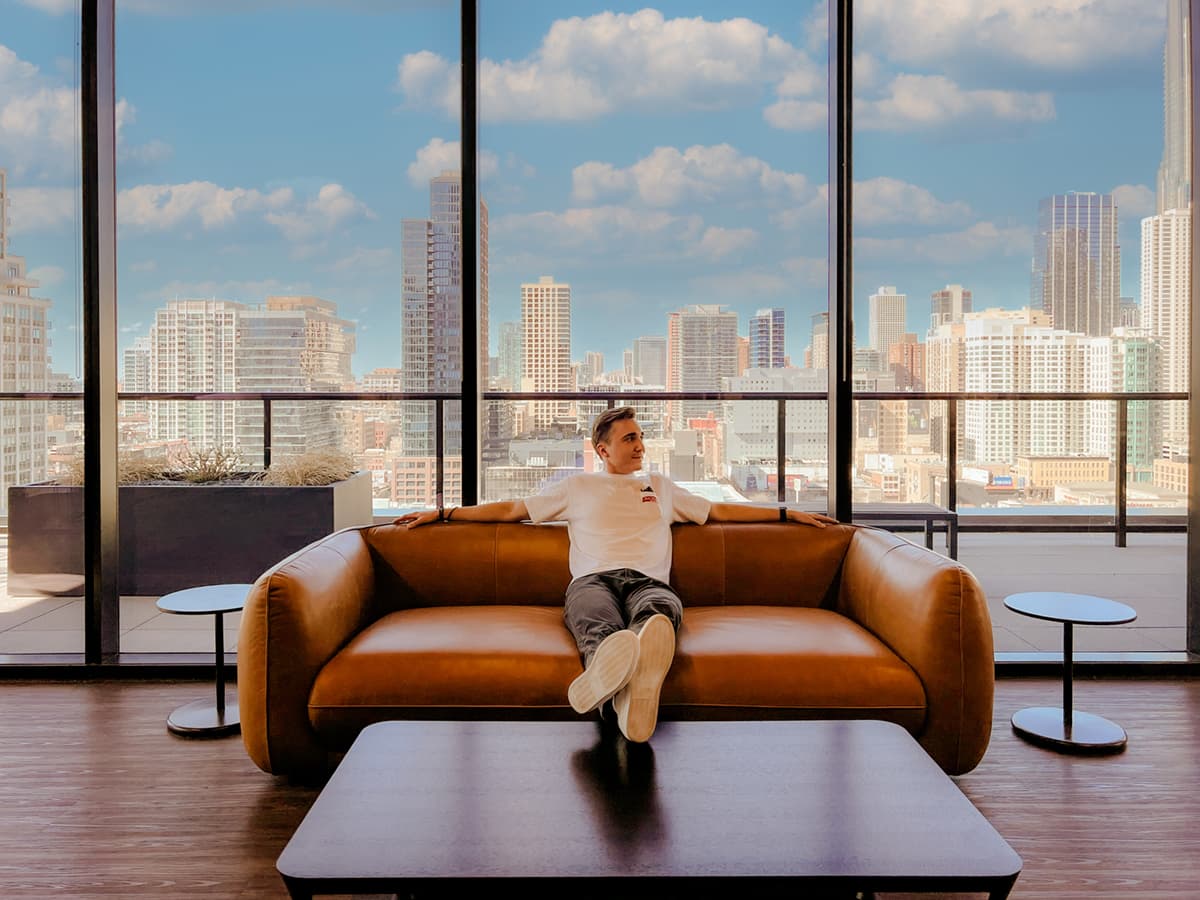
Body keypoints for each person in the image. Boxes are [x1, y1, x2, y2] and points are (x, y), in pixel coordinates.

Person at [394, 406, 837, 743]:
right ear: (602, 450)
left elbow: (720, 510)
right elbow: (513, 510)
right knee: (595, 621)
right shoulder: (577, 487)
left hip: (648, 581)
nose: (640, 445)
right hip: (593, 580)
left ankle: (628, 681)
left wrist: (785, 513)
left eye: (641, 437)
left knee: (660, 610)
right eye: (629, 439)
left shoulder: (661, 487)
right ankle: (627, 683)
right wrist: (445, 513)